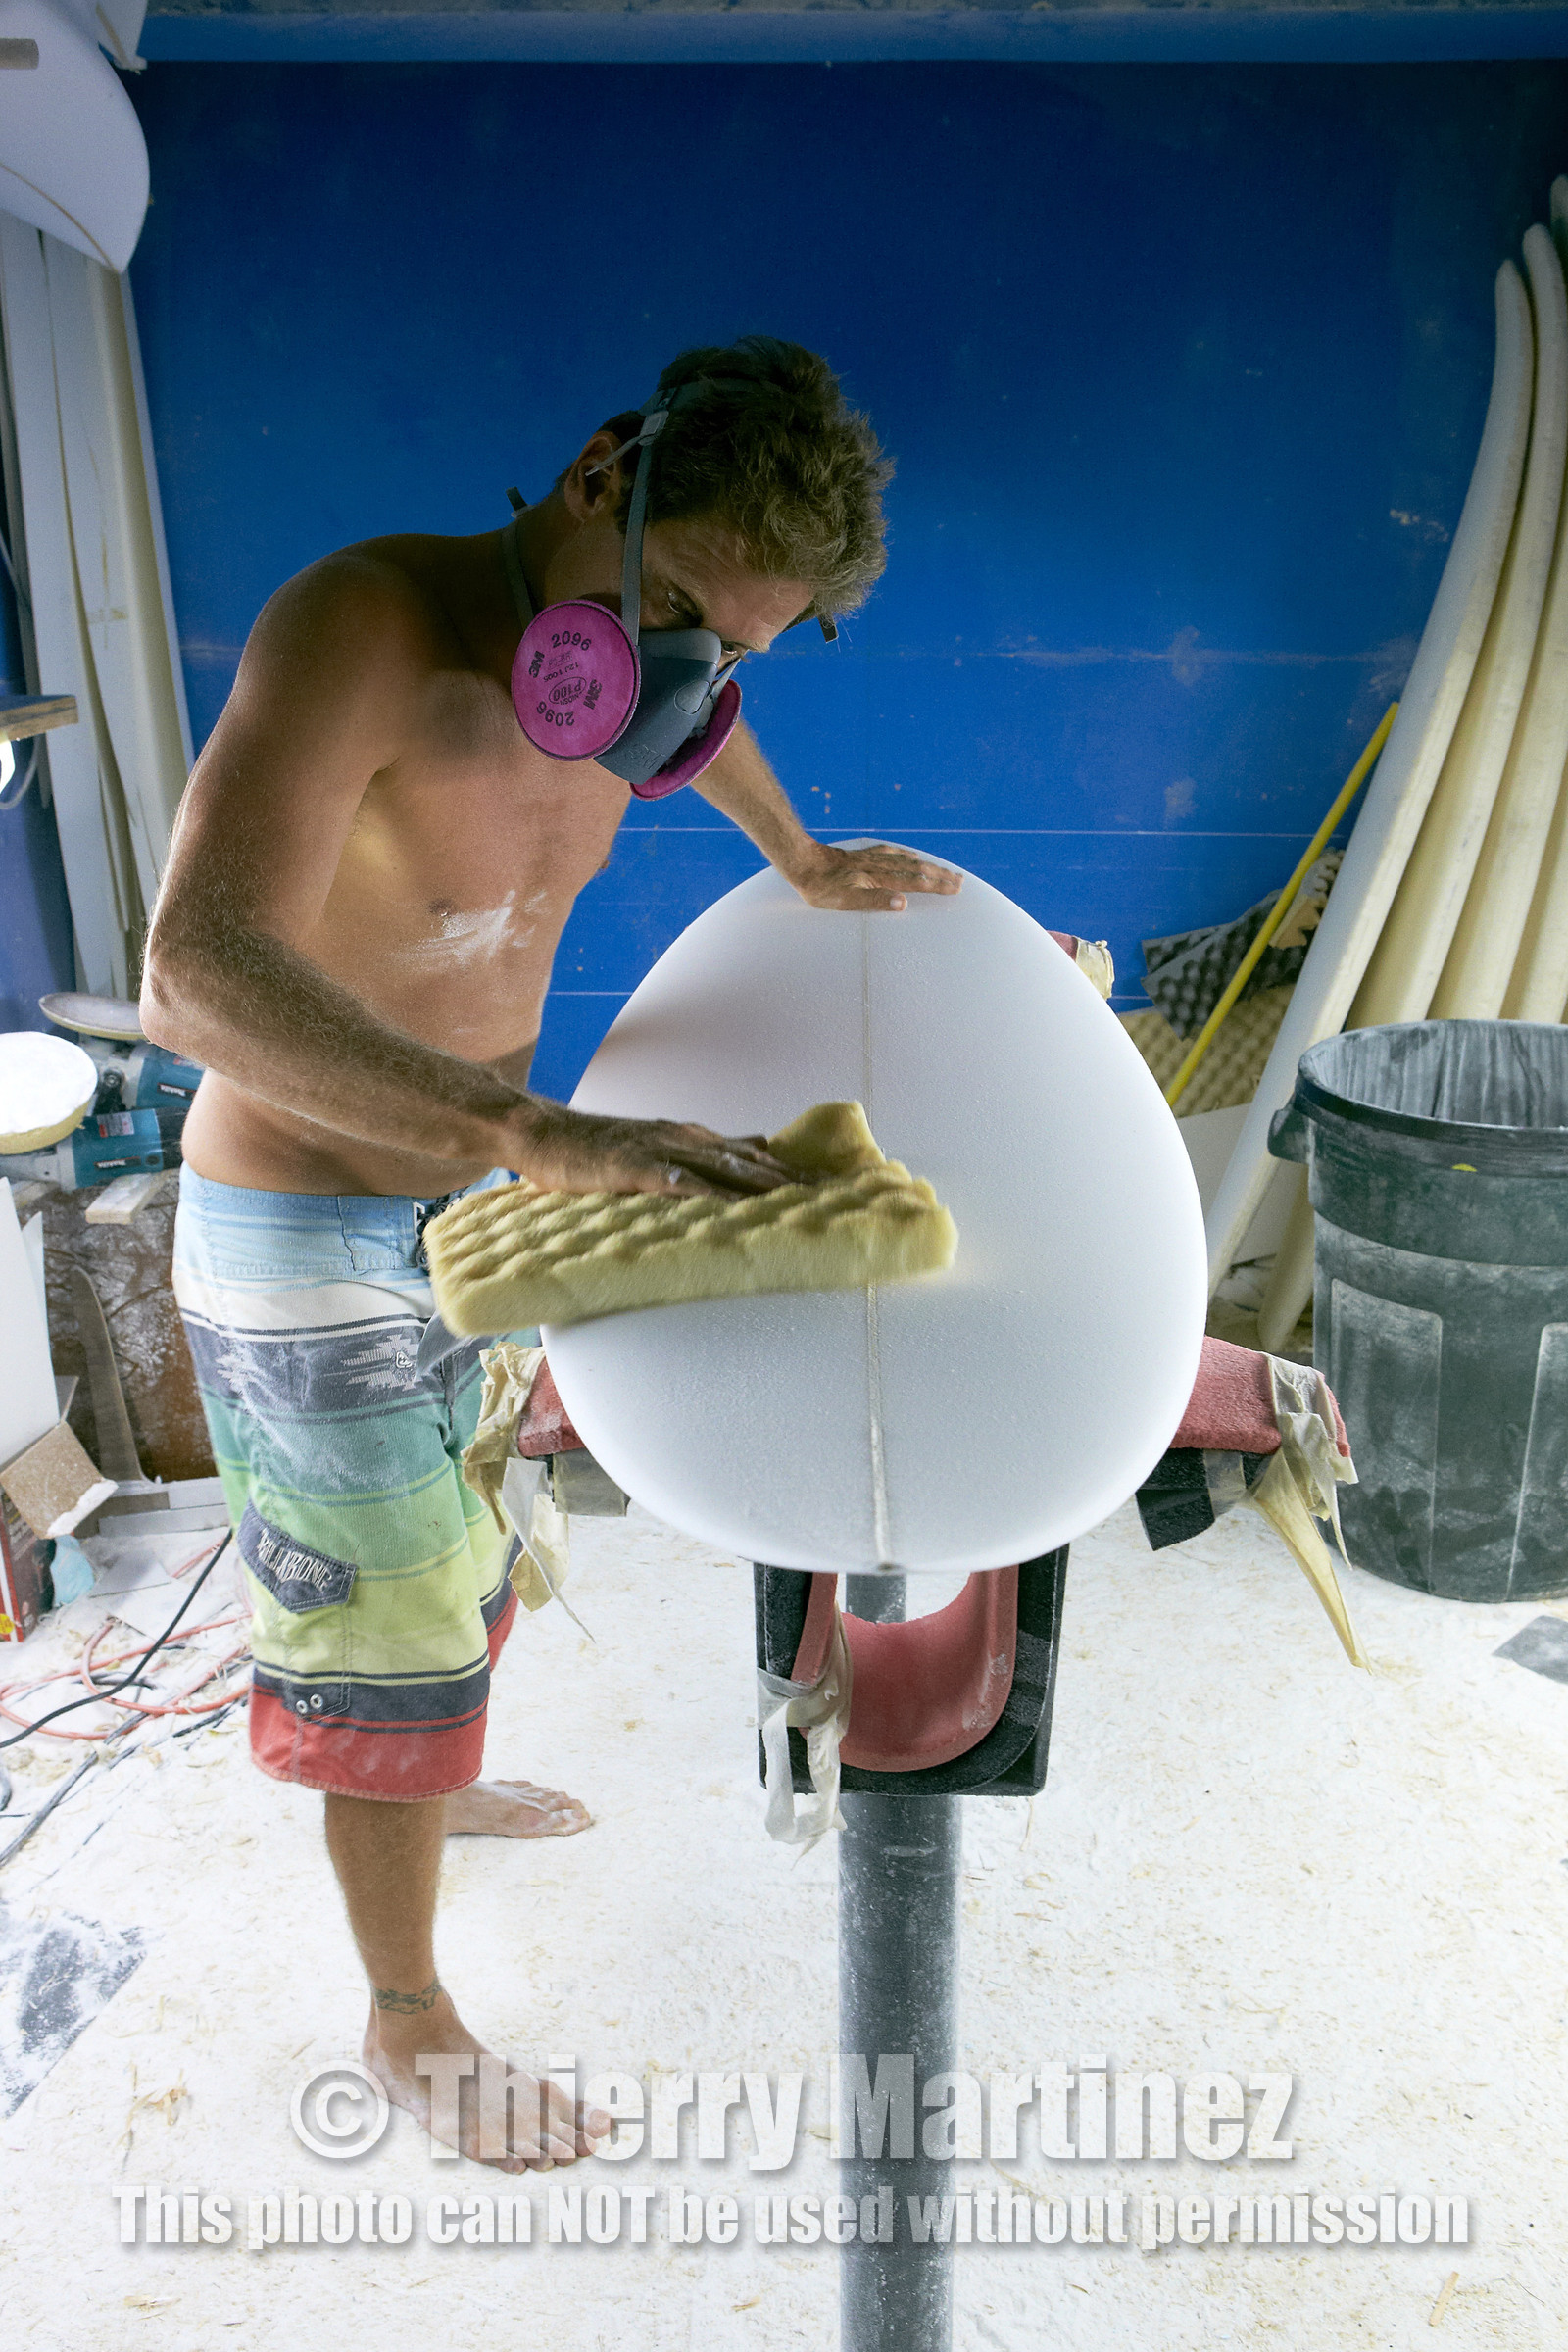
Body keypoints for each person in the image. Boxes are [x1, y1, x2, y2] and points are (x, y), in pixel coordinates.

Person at [141, 335, 958, 2171]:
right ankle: (409, 2017)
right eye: (669, 602)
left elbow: (711, 723)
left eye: (729, 640)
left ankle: (436, 1769)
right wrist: (526, 1131)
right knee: (389, 1632)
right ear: (602, 469)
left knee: (472, 1548)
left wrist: (805, 860)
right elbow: (188, 976)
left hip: (480, 1205)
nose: (683, 666)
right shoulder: (361, 626)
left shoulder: (643, 687)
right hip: (305, 1218)